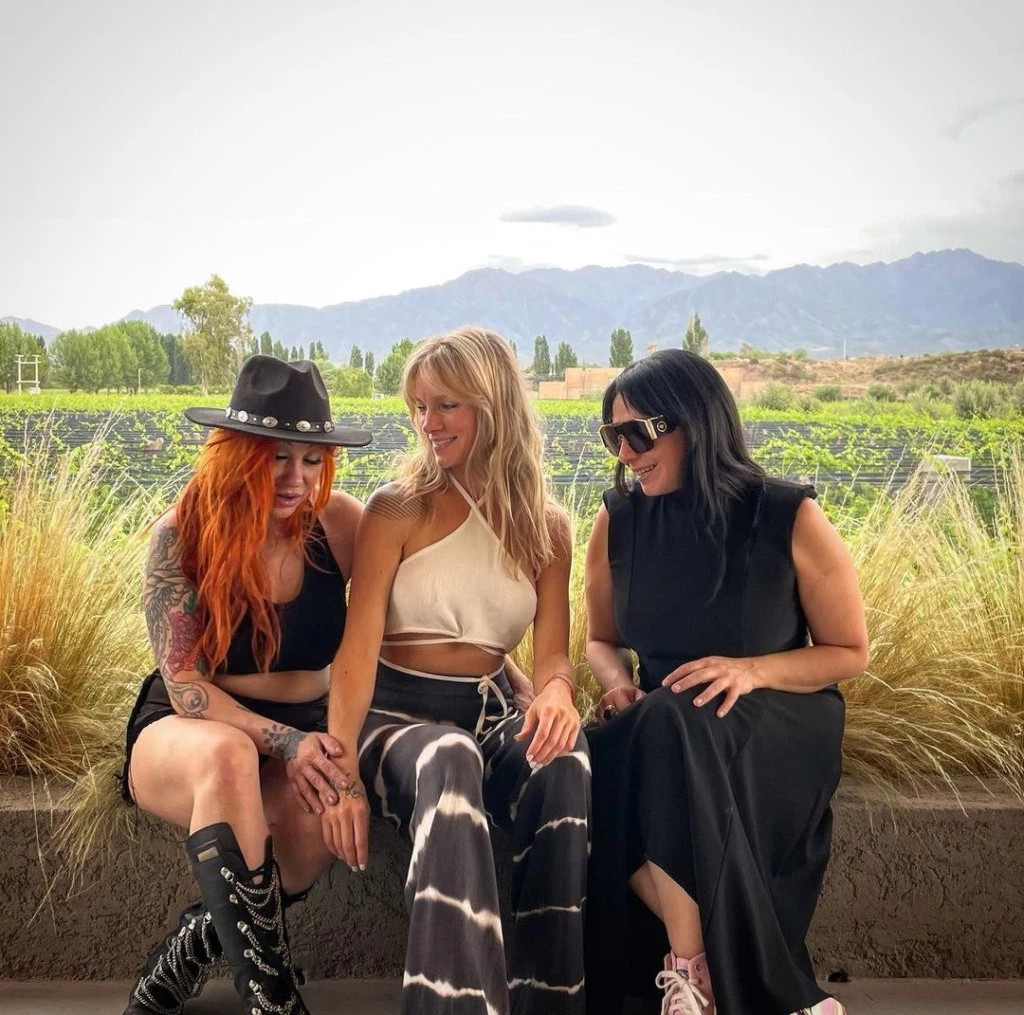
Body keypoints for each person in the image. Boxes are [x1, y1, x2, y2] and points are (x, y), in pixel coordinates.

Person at [583, 350, 868, 1015]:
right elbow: (600, 639)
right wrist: (617, 683)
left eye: (637, 433)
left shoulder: (787, 515)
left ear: (695, 422)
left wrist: (750, 670)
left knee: (666, 724)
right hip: (665, 725)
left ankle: (691, 976)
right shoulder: (617, 520)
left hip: (776, 718)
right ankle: (711, 974)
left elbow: (849, 652)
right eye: (612, 435)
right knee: (589, 763)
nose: (624, 453)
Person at [321, 326, 592, 1015]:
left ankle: (548, 999)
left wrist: (557, 692)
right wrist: (342, 774)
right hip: (394, 717)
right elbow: (356, 650)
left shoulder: (547, 528)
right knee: (449, 757)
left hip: (490, 712)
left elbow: (552, 653)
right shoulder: (397, 507)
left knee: (565, 759)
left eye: (447, 405)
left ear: (493, 405)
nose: (428, 424)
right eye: (419, 406)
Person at [119, 355, 371, 1015]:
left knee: (314, 826)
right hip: (191, 730)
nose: (297, 477)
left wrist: (523, 676)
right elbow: (185, 686)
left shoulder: (341, 524)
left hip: (303, 728)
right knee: (228, 755)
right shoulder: (183, 534)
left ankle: (190, 947)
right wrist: (287, 742)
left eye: (312, 459)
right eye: (276, 457)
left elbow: (397, 625)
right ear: (237, 453)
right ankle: (273, 999)